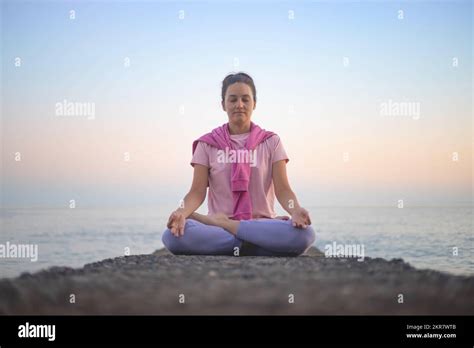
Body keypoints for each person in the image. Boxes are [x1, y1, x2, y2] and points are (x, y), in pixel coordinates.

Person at [162, 72, 315, 256]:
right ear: (223, 104)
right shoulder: (206, 144)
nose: (239, 105)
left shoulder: (271, 142)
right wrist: (181, 212)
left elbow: (283, 190)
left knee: (305, 235)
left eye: (245, 99)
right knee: (171, 237)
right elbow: (197, 192)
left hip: (259, 224)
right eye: (233, 99)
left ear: (254, 104)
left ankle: (232, 232)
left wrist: (296, 210)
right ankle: (257, 244)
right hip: (220, 230)